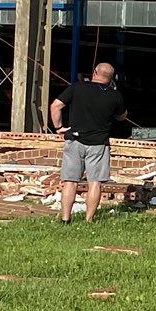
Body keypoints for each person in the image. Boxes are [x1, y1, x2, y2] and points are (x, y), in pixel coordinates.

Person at [49, 62, 129, 224]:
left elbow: (55, 106)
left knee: (70, 181)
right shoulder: (115, 96)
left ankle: (65, 219)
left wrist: (59, 127)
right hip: (99, 144)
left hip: (75, 140)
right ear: (111, 78)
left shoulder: (76, 88)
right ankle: (89, 220)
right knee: (95, 182)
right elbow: (122, 116)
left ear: (94, 73)